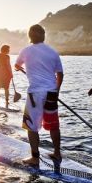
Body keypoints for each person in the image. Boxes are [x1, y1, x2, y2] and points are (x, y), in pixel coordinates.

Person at [15, 24, 64, 169]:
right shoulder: (53, 52)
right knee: (53, 125)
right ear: (43, 36)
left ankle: (35, 158)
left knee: (32, 126)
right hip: (51, 92)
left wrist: (19, 67)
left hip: (35, 92)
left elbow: (17, 65)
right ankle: (57, 153)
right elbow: (60, 74)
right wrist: (57, 90)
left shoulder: (26, 50)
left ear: (30, 36)